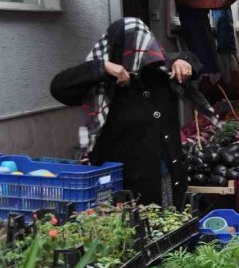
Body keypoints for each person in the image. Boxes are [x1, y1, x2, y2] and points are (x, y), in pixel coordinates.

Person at [50, 17, 201, 207]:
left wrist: (184, 60)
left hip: (165, 173)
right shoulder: (102, 82)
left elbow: (192, 62)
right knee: (132, 228)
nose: (138, 55)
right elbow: (58, 87)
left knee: (167, 226)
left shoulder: (158, 70)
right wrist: (102, 68)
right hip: (123, 183)